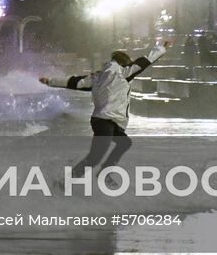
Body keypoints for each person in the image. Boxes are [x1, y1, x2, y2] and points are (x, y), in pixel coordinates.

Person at [40, 41, 168, 175]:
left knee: (124, 143)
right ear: (124, 63)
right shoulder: (123, 73)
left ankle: (104, 172)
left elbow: (75, 82)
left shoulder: (98, 77)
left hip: (104, 121)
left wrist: (51, 81)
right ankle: (66, 182)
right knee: (94, 158)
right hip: (107, 121)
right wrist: (162, 48)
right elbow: (145, 61)